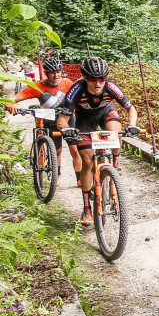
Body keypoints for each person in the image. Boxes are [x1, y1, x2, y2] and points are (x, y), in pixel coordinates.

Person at [56, 56, 140, 227]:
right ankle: (87, 207)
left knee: (116, 134)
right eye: (93, 79)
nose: (97, 83)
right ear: (85, 78)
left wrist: (132, 125)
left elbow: (130, 108)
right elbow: (62, 119)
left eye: (101, 79)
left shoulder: (111, 87)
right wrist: (66, 130)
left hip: (106, 112)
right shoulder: (76, 90)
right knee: (87, 161)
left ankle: (115, 165)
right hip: (85, 120)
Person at [4, 57, 83, 186]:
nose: (56, 75)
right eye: (52, 72)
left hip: (68, 119)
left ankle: (79, 177)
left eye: (58, 71)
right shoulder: (38, 86)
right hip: (49, 121)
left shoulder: (68, 83)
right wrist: (10, 104)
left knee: (75, 149)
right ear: (46, 73)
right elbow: (15, 98)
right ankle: (56, 175)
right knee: (57, 150)